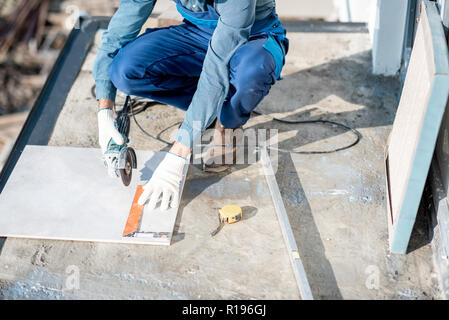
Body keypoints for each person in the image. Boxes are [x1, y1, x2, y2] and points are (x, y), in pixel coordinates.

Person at [93, 0, 288, 210]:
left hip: (252, 37)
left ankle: (227, 125)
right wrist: (104, 112)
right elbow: (117, 35)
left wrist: (177, 156)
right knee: (124, 70)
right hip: (198, 34)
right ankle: (209, 110)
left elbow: (216, 70)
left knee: (251, 73)